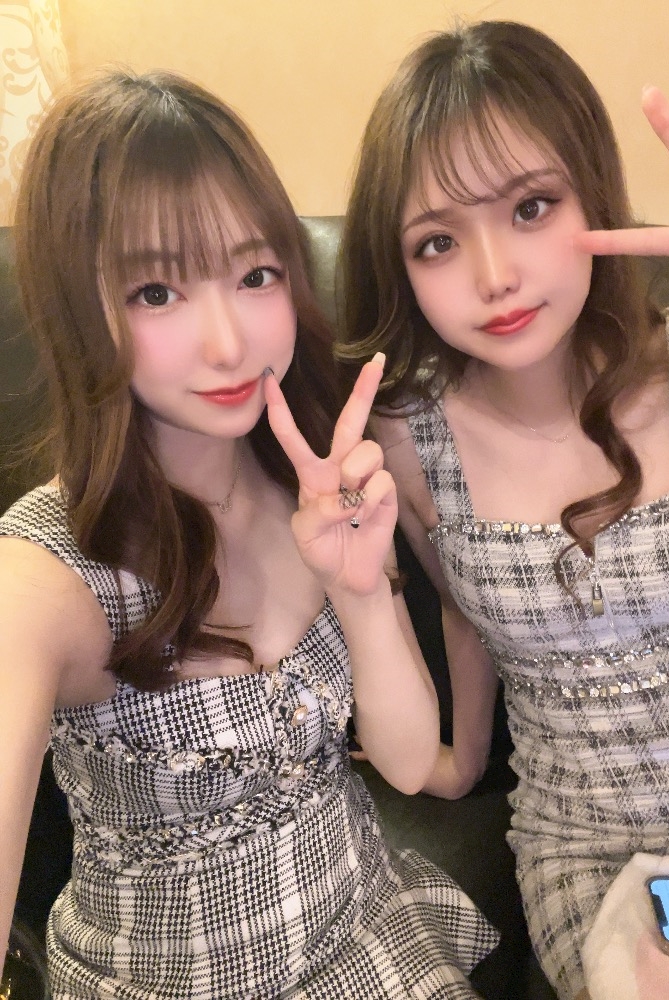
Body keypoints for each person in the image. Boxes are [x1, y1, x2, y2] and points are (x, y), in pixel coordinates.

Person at [0, 69, 500, 998]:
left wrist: (360, 588)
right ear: (77, 307)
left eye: (255, 274)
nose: (229, 343)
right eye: (156, 291)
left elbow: (402, 761)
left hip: (362, 933)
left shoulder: (311, 479)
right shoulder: (46, 574)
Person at [337, 19, 669, 1000]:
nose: (495, 276)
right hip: (597, 855)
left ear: (592, 194)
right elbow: (462, 611)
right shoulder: (407, 438)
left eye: (531, 207)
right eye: (439, 241)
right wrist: (461, 759)